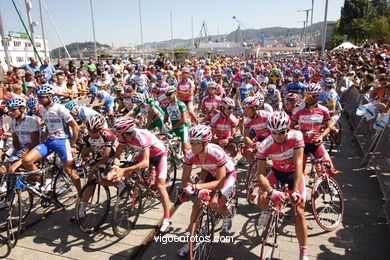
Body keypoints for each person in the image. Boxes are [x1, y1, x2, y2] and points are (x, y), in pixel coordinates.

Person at [256, 111, 309, 260]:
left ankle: (303, 253)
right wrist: (271, 192)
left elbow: (299, 165)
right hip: (276, 172)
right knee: (261, 200)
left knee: (299, 210)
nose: (278, 136)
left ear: (288, 129)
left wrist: (296, 191)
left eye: (281, 132)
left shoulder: (296, 136)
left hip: (294, 174)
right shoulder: (265, 144)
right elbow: (260, 174)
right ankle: (266, 210)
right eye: (274, 133)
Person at [177, 125, 237, 256]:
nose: (192, 146)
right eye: (191, 142)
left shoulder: (216, 152)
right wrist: (188, 188)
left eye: (196, 143)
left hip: (227, 175)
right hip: (210, 172)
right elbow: (185, 179)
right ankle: (191, 239)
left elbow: (220, 182)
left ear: (205, 143)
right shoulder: (190, 154)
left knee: (215, 205)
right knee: (196, 205)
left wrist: (197, 187)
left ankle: (227, 214)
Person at [107, 116, 172, 233]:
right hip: (143, 154)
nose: (116, 135)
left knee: (161, 186)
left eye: (118, 133)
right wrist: (116, 166)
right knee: (126, 167)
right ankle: (133, 189)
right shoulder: (124, 137)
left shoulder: (142, 136)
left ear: (126, 133)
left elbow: (146, 163)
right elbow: (117, 155)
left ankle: (167, 218)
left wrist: (124, 170)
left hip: (158, 155)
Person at [22, 85, 81, 196]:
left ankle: (81, 196)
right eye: (38, 97)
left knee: (70, 172)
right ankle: (44, 183)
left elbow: (75, 127)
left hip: (62, 141)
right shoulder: (42, 110)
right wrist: (42, 139)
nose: (39, 99)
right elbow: (49, 127)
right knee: (27, 161)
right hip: (49, 141)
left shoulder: (60, 108)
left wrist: (72, 145)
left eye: (41, 97)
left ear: (49, 96)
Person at [72, 114, 124, 221]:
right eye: (89, 130)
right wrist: (89, 161)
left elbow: (106, 156)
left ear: (100, 130)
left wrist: (96, 164)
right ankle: (82, 210)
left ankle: (120, 184)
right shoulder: (86, 136)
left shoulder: (107, 135)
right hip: (100, 154)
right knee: (91, 180)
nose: (91, 133)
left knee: (106, 174)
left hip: (113, 154)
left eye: (94, 131)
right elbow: (84, 154)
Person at [0, 97, 40, 208]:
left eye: (13, 110)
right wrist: (16, 153)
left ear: (22, 109)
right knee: (5, 166)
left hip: (33, 148)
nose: (10, 112)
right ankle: (9, 197)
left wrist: (24, 152)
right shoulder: (14, 122)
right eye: (9, 110)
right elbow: (16, 140)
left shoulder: (30, 121)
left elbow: (35, 141)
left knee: (12, 170)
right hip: (22, 149)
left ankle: (39, 180)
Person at [291, 83, 335, 169]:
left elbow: (328, 127)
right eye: (308, 95)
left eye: (313, 96)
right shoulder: (298, 110)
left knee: (330, 168)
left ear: (318, 96)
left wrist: (321, 136)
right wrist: (299, 132)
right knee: (299, 170)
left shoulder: (324, 110)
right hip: (302, 144)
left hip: (316, 143)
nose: (310, 98)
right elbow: (290, 127)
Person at [163, 86, 191, 154]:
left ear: (175, 93)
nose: (168, 97)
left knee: (185, 150)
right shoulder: (167, 106)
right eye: (167, 95)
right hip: (174, 128)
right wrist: (167, 124)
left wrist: (173, 127)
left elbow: (183, 120)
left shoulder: (181, 104)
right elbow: (165, 119)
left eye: (169, 94)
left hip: (183, 128)